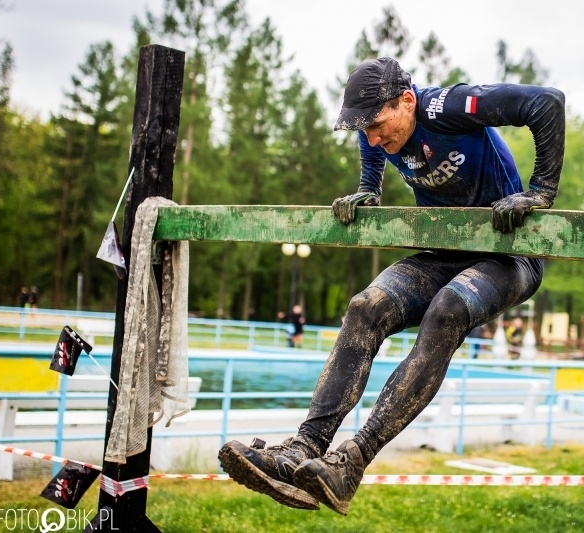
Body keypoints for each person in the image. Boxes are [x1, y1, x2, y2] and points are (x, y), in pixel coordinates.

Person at [219, 57, 565, 515]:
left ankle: (352, 462)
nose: (374, 139)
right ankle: (302, 450)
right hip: (444, 252)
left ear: (407, 100)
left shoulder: (449, 106)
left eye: (380, 125)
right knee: (366, 306)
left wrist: (540, 191)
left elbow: (547, 103)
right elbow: (373, 139)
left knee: (447, 310)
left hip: (509, 256)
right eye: (365, 131)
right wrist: (369, 187)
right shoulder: (378, 131)